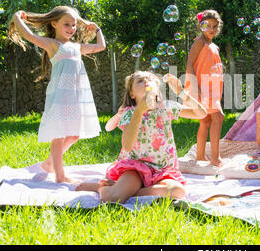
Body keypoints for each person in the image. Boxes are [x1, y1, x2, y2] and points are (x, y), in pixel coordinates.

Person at [75, 72, 207, 203]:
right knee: (112, 198)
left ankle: (127, 191)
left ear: (157, 88)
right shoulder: (129, 113)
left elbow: (201, 113)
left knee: (178, 191)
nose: (146, 81)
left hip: (163, 170)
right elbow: (127, 145)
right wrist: (139, 111)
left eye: (150, 79)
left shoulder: (166, 107)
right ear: (132, 93)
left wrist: (181, 92)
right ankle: (100, 188)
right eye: (139, 80)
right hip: (135, 168)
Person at [9, 6, 106, 183]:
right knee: (59, 134)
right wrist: (17, 18)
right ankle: (60, 176)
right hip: (61, 96)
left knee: (74, 135)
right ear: (54, 23)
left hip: (76, 96)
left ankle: (48, 164)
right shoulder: (53, 45)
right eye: (67, 24)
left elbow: (101, 46)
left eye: (74, 25)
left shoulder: (77, 47)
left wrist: (97, 29)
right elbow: (30, 36)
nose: (71, 28)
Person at [184, 10, 224, 167]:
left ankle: (200, 156)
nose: (212, 29)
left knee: (206, 120)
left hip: (212, 86)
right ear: (201, 27)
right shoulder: (199, 42)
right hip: (202, 86)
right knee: (218, 116)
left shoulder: (213, 45)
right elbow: (189, 65)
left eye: (215, 26)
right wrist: (195, 88)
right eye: (208, 26)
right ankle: (215, 158)